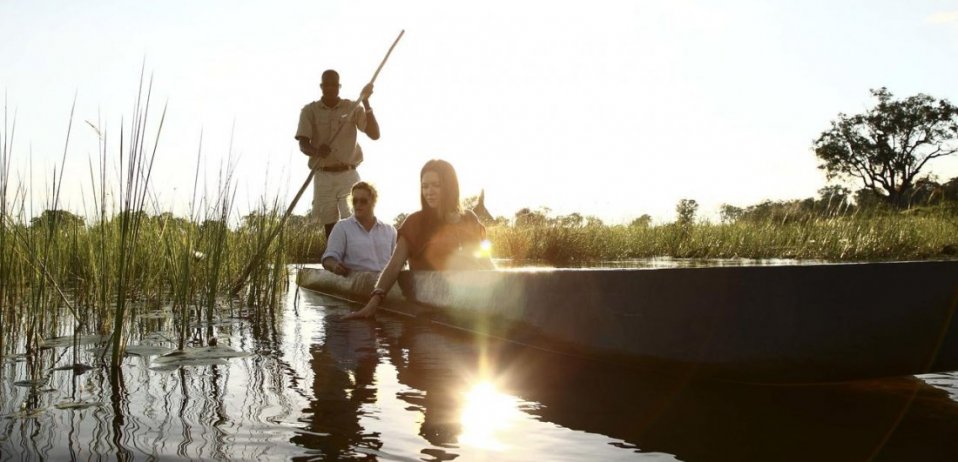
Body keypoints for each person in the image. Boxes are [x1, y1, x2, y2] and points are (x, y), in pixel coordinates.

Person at [343, 159, 494, 320]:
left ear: (450, 186)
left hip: (471, 299)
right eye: (425, 186)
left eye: (436, 185)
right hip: (431, 308)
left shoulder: (469, 218)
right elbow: (394, 266)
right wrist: (372, 304)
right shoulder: (414, 223)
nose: (429, 191)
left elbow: (486, 262)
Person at [296, 69, 381, 239]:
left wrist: (366, 102)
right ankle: (334, 262)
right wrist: (316, 151)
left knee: (355, 219)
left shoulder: (352, 107)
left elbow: (374, 134)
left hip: (348, 175)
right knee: (330, 225)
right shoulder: (309, 110)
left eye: (334, 84)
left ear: (339, 86)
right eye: (326, 84)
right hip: (323, 175)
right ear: (321, 86)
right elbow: (303, 143)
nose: (330, 87)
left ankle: (357, 260)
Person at [321, 181, 396, 275]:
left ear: (373, 202)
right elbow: (328, 259)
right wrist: (335, 265)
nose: (358, 204)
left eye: (363, 201)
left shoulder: (390, 230)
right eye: (354, 201)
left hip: (385, 285)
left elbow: (398, 263)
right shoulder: (342, 227)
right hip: (355, 284)